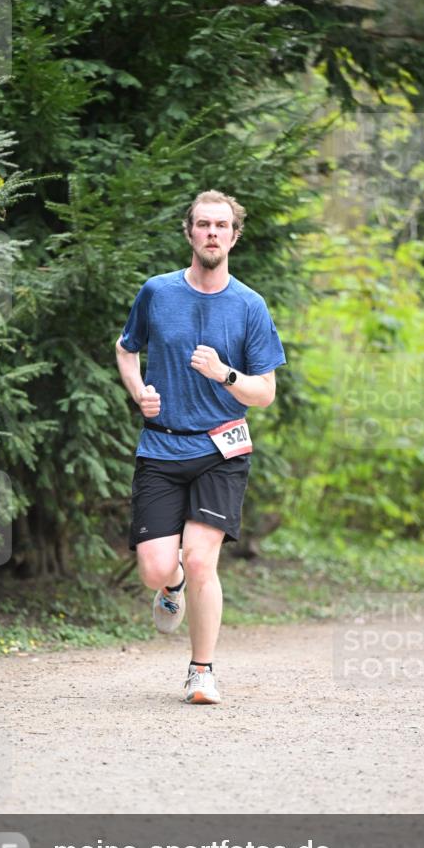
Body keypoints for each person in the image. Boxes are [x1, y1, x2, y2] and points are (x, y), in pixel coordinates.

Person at [115, 189, 286, 704]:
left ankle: (201, 671)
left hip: (222, 449)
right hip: (161, 448)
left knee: (201, 558)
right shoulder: (157, 293)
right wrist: (139, 390)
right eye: (203, 224)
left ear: (234, 237)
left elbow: (265, 392)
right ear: (189, 233)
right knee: (155, 567)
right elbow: (126, 351)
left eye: (221, 226)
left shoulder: (249, 306)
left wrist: (225, 373)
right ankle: (172, 589)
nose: (212, 233)